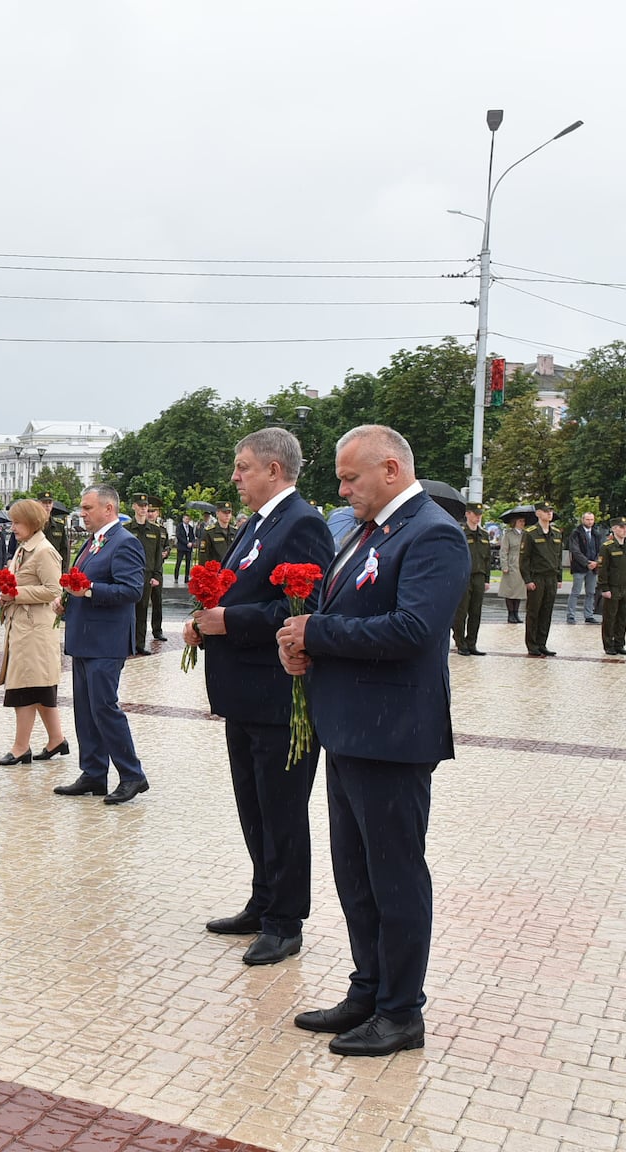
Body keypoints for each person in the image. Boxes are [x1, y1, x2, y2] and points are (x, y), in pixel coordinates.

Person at [276, 425, 463, 1057]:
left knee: (394, 876)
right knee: (355, 875)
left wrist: (318, 634)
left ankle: (401, 1011)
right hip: (350, 729)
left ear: (390, 469)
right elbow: (343, 616)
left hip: (393, 736)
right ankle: (369, 990)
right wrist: (303, 646)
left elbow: (413, 630)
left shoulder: (432, 533)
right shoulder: (368, 532)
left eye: (350, 477)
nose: (342, 489)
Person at [182, 429, 332, 967]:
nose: (235, 476)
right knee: (253, 806)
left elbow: (306, 611)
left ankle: (285, 922)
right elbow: (240, 590)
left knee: (282, 812)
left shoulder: (303, 523)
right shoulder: (257, 523)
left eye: (243, 467)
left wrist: (229, 621)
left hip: (278, 697)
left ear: (274, 469)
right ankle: (263, 900)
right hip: (243, 694)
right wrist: (205, 621)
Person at [51, 485, 149, 805]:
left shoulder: (125, 542)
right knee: (86, 710)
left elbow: (132, 590)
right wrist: (66, 601)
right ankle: (93, 773)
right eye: (82, 508)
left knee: (105, 708)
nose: (82, 513)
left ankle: (132, 775)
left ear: (108, 509)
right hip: (84, 638)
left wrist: (90, 590)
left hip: (106, 641)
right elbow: (81, 581)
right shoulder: (92, 541)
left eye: (87, 507)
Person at [0, 498, 67, 765]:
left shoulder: (44, 551)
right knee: (40, 689)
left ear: (32, 523)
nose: (12, 527)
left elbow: (53, 590)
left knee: (24, 688)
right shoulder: (24, 548)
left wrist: (16, 593)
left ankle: (20, 747)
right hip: (24, 627)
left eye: (17, 522)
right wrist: (6, 595)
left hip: (35, 631)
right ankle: (56, 739)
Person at [127, 494, 169, 654]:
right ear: (134, 506)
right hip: (129, 575)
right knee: (128, 610)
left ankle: (139, 644)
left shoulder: (155, 530)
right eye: (140, 505)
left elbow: (158, 555)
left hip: (147, 574)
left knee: (142, 609)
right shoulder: (126, 529)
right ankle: (126, 642)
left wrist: (156, 575)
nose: (144, 508)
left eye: (145, 506)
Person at [520, 503, 563, 657]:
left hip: (551, 578)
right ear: (538, 513)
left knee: (547, 612)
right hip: (537, 577)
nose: (549, 514)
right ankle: (532, 644)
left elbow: (558, 557)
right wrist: (527, 579)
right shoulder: (530, 533)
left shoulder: (556, 533)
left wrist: (559, 577)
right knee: (534, 612)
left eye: (550, 511)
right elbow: (524, 559)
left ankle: (542, 643)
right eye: (545, 511)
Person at [597, 517, 626, 656]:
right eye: (621, 527)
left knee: (623, 618)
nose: (624, 530)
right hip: (613, 588)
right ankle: (608, 645)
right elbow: (602, 569)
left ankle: (619, 644)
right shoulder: (607, 547)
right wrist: (604, 588)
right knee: (610, 618)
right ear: (614, 529)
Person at [453, 506, 492, 656]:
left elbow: (487, 559)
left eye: (480, 514)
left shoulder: (484, 535)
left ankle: (472, 643)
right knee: (461, 612)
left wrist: (487, 579)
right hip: (464, 576)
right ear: (467, 514)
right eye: (475, 514)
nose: (478, 517)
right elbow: (455, 556)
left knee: (476, 612)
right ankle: (460, 642)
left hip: (479, 577)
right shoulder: (460, 533)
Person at [566, 511, 602, 625]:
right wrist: (586, 562)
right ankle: (571, 615)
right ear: (583, 520)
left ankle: (589, 615)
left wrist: (596, 562)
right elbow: (575, 550)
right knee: (576, 592)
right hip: (579, 567)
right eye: (587, 519)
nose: (590, 522)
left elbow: (600, 549)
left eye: (592, 520)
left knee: (591, 592)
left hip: (593, 567)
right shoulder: (576, 533)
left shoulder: (596, 534)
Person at [498, 512, 527, 624]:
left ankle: (516, 613)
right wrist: (504, 565)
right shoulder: (508, 534)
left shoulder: (525, 535)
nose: (522, 523)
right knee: (510, 591)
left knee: (519, 591)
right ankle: (510, 613)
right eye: (520, 521)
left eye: (523, 521)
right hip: (512, 564)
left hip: (522, 564)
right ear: (514, 522)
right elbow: (503, 551)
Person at [199, 502, 238, 567]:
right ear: (217, 513)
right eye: (224, 512)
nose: (227, 515)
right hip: (215, 569)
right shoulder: (209, 532)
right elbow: (203, 556)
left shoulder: (235, 531)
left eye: (229, 512)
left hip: (231, 569)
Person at [38, 493, 69, 572]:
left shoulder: (59, 525)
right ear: (38, 504)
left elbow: (64, 549)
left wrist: (64, 571)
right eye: (44, 502)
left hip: (54, 566)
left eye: (50, 502)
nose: (47, 505)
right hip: (36, 565)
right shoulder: (32, 524)